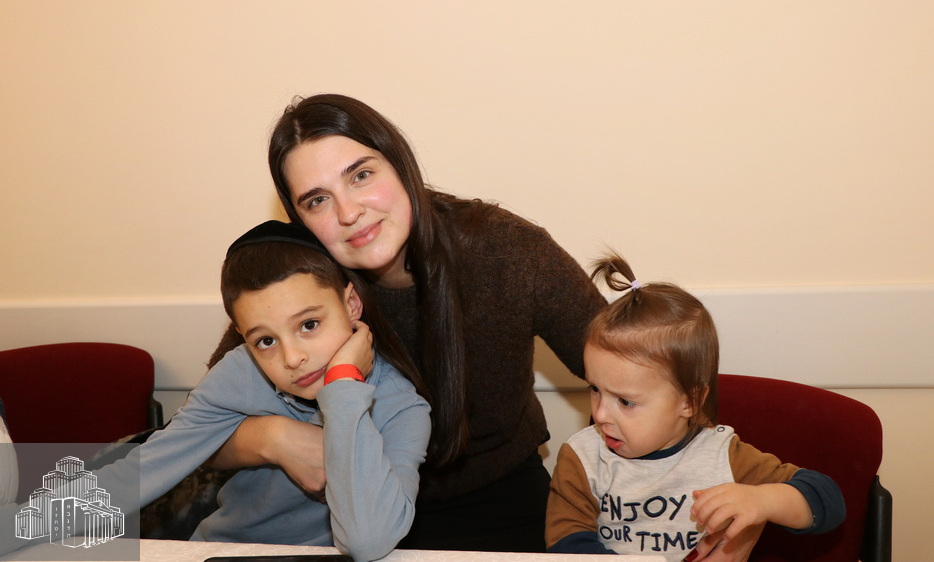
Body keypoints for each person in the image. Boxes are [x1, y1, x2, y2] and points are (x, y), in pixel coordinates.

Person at [209, 93, 609, 552]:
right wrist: (273, 438)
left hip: (502, 504)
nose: (348, 213)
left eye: (361, 175)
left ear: (400, 164)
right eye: (317, 200)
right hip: (342, 517)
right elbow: (199, 435)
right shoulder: (303, 282)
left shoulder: (505, 251)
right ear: (298, 219)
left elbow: (634, 372)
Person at [119, 220, 430, 562]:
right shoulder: (241, 372)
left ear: (352, 304)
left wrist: (344, 385)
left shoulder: (402, 407)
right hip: (226, 552)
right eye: (266, 341)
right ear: (243, 337)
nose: (293, 358)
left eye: (309, 325)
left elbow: (367, 542)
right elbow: (146, 466)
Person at [545, 253, 845, 561]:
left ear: (689, 401)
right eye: (595, 390)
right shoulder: (582, 457)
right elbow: (566, 545)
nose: (600, 415)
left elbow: (828, 501)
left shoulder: (723, 456)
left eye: (625, 401)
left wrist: (763, 499)